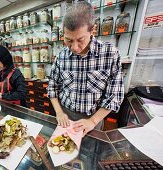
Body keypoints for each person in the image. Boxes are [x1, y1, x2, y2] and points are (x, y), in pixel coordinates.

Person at [47, 1, 124, 136]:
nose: (75, 47)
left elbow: (114, 96)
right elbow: (52, 87)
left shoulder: (110, 54)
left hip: (93, 118)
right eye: (68, 40)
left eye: (80, 40)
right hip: (65, 117)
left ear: (92, 30)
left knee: (90, 154)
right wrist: (59, 112)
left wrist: (93, 121)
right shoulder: (61, 56)